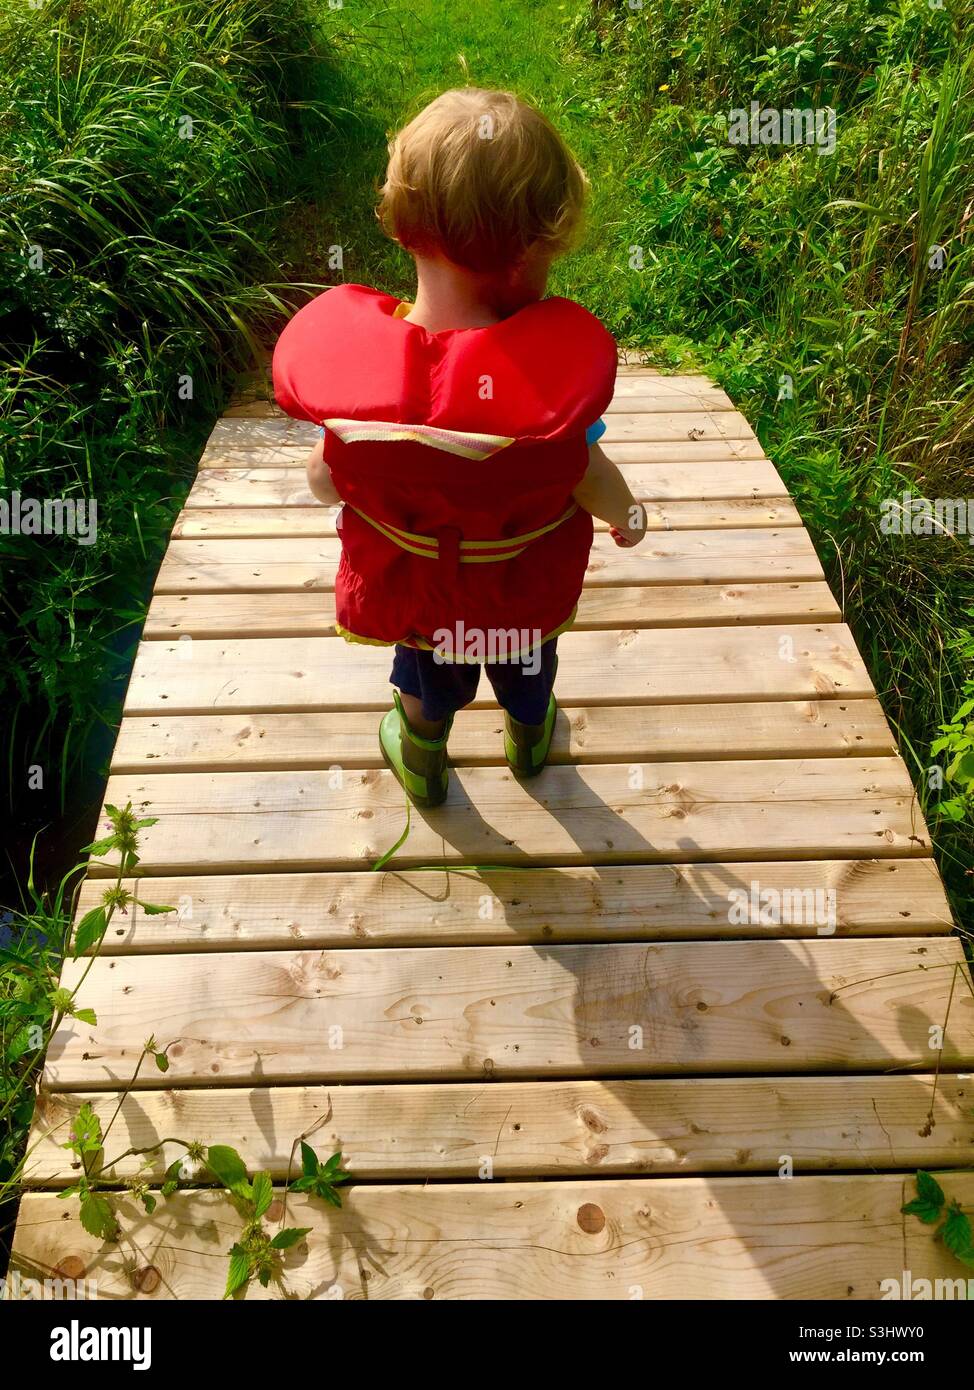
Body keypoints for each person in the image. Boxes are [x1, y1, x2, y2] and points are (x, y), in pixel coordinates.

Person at [273, 88, 647, 808]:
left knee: (425, 684)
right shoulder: (547, 401)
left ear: (403, 226)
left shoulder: (361, 406)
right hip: (519, 603)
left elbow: (324, 483)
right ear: (531, 254)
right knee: (529, 673)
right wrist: (630, 516)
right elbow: (592, 480)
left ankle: (421, 757)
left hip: (423, 604)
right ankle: (529, 741)